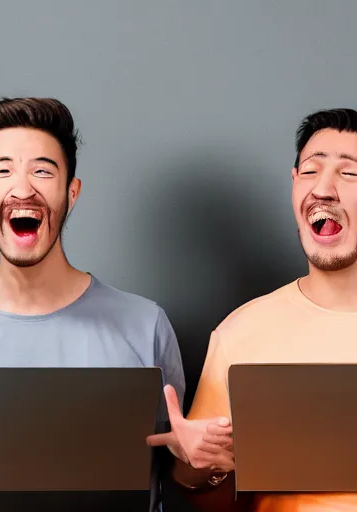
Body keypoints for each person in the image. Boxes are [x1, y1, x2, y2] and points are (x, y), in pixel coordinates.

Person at [0, 96, 194, 512]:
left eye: (42, 171)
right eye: (2, 170)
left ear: (71, 192)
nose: (22, 188)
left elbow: (180, 474)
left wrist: (199, 464)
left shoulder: (146, 324)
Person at [149, 108, 357, 512]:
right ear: (294, 185)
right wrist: (202, 467)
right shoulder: (241, 332)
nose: (325, 189)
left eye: (350, 174)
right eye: (311, 172)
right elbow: (210, 498)